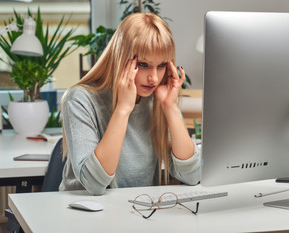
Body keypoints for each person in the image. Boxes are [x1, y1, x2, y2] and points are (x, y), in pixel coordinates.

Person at [59, 13, 201, 195]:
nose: (154, 78)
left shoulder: (157, 100)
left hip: (138, 211)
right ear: (120, 58)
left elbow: (192, 176)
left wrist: (170, 108)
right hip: (82, 212)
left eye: (161, 65)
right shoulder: (80, 98)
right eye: (143, 64)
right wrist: (123, 109)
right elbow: (94, 185)